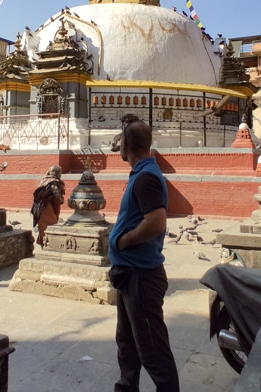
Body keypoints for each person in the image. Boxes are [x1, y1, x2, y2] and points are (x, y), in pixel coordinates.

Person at [108, 115, 179, 392]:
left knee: (152, 351)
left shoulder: (146, 178)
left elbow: (156, 222)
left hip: (142, 277)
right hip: (130, 274)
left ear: (125, 145)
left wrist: (124, 241)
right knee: (127, 344)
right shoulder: (143, 174)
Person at [31, 165, 65, 247]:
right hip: (47, 208)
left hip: (37, 208)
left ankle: (43, 244)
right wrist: (57, 213)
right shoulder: (55, 183)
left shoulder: (44, 180)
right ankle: (49, 246)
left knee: (42, 228)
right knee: (50, 228)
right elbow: (56, 200)